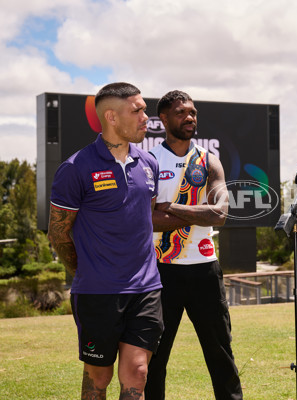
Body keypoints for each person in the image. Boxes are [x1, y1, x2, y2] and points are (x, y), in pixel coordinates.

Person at [47, 82, 163, 399]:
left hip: (146, 289)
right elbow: (58, 233)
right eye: (136, 110)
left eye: (145, 109)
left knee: (137, 374)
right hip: (97, 292)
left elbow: (144, 217)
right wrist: (84, 270)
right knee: (98, 379)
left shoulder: (149, 163)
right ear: (111, 116)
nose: (146, 118)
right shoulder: (75, 168)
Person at [144, 90, 243, 400]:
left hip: (205, 271)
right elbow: (146, 221)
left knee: (220, 354)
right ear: (163, 119)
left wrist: (170, 207)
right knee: (155, 358)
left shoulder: (208, 160)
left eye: (193, 112)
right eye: (181, 112)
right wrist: (197, 213)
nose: (189, 117)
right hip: (161, 271)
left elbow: (220, 214)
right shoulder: (149, 160)